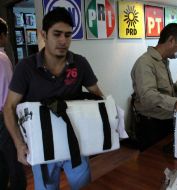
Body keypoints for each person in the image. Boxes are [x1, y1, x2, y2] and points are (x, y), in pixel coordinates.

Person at [3, 7, 103, 190]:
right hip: (41, 146)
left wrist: (97, 130)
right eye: (57, 34)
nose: (63, 41)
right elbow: (9, 107)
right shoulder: (26, 67)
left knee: (84, 187)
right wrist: (19, 144)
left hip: (76, 143)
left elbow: (97, 96)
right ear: (43, 34)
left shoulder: (80, 63)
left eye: (68, 35)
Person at [131, 23, 177, 151]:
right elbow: (148, 96)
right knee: (152, 164)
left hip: (166, 119)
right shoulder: (145, 63)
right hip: (152, 124)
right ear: (171, 40)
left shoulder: (163, 61)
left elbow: (162, 87)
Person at [0, 18, 27, 190]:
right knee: (14, 162)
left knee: (1, 164)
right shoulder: (2, 58)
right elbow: (12, 93)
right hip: (4, 118)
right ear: (2, 36)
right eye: (7, 34)